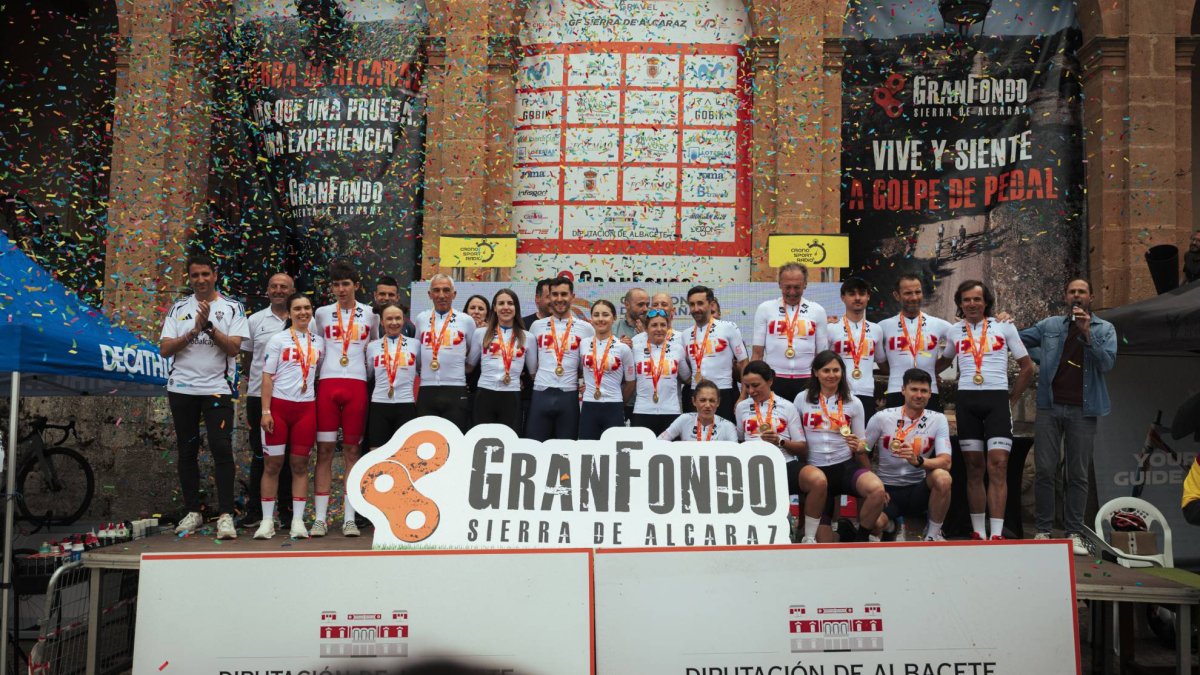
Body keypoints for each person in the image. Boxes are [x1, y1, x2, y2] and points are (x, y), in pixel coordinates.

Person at [1019, 278, 1117, 553]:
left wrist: (1087, 335)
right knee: (1045, 470)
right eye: (1072, 291)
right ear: (1066, 296)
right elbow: (1018, 340)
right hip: (1050, 407)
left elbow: (1107, 363)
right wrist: (1042, 355)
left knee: (1077, 473)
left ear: (1091, 297)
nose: (1076, 295)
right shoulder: (1050, 325)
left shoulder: (1105, 329)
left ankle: (1074, 532)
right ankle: (1043, 530)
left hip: (1083, 410)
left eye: (1081, 292)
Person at [159, 253, 250, 539]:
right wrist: (193, 331)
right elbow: (165, 349)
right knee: (187, 450)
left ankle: (225, 514)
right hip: (182, 388)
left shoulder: (233, 307)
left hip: (217, 388)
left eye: (205, 274)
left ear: (215, 275)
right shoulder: (179, 308)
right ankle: (193, 511)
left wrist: (209, 328)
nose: (200, 280)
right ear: (189, 278)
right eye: (195, 275)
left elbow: (234, 348)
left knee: (221, 447)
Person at [939, 280, 1034, 540]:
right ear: (960, 303)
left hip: (996, 400)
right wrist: (919, 373)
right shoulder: (954, 331)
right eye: (966, 299)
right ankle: (979, 531)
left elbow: (1027, 367)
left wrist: (1011, 399)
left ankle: (997, 532)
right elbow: (944, 361)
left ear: (986, 302)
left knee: (998, 465)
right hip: (967, 401)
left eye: (977, 299)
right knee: (974, 467)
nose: (972, 304)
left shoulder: (1004, 326)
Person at [312, 261, 377, 537]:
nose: (341, 289)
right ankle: (320, 519)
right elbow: (315, 347)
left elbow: (374, 349)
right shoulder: (321, 313)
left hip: (357, 385)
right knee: (325, 451)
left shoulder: (371, 314)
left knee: (352, 452)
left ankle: (349, 518)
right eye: (336, 284)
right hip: (328, 384)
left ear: (356, 286)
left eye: (346, 284)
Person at [793, 351, 885, 544]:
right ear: (816, 372)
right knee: (825, 542)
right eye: (826, 370)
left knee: (877, 490)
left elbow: (864, 443)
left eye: (836, 370)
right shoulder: (802, 399)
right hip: (816, 472)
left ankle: (860, 539)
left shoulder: (853, 402)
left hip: (844, 467)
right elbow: (797, 438)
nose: (831, 375)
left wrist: (860, 446)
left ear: (842, 372)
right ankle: (844, 532)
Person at [254, 293, 323, 540]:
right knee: (272, 465)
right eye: (297, 309)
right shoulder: (278, 339)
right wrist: (266, 411)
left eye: (307, 308)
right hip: (279, 408)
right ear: (290, 313)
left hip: (306, 409)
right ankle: (266, 521)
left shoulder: (319, 342)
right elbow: (266, 376)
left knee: (300, 465)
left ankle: (297, 521)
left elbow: (317, 373)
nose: (303, 312)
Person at [864, 368, 953, 542]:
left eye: (924, 391)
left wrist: (919, 461)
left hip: (917, 488)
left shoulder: (938, 419)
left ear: (930, 394)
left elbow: (946, 462)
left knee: (943, 478)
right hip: (887, 489)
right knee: (873, 523)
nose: (919, 395)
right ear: (903, 390)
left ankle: (932, 535)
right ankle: (892, 527)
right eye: (914, 389)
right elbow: (862, 451)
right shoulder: (882, 417)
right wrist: (874, 485)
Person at [239, 272, 294, 529]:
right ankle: (256, 511)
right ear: (267, 290)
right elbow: (247, 359)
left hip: (291, 397)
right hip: (258, 396)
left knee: (288, 455)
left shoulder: (303, 318)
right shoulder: (255, 320)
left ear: (292, 290)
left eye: (284, 286)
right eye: (274, 286)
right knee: (260, 454)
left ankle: (286, 511)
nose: (278, 290)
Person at [735, 361, 805, 523]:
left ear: (770, 381)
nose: (751, 391)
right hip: (750, 464)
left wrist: (780, 441)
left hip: (783, 462)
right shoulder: (741, 407)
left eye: (755, 385)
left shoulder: (788, 406)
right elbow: (740, 437)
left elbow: (802, 447)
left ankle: (806, 531)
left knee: (816, 480)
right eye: (747, 386)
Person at [527, 277, 595, 440]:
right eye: (555, 294)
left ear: (572, 296)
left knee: (567, 447)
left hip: (569, 395)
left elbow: (590, 362)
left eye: (564, 294)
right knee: (535, 445)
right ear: (549, 296)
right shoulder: (536, 326)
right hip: (540, 392)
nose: (559, 299)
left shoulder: (586, 328)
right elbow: (531, 363)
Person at [751, 262, 828, 402]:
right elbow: (757, 353)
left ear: (805, 285)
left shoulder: (817, 311)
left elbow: (822, 355)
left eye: (797, 287)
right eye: (787, 287)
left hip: (807, 380)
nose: (792, 292)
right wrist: (748, 390)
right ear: (779, 284)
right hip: (773, 379)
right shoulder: (765, 309)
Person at [876, 274, 952, 411]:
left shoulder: (939, 324)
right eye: (908, 293)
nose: (914, 297)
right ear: (897, 295)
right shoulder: (883, 326)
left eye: (918, 292)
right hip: (896, 390)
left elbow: (961, 339)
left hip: (928, 391)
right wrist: (895, 372)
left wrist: (932, 369)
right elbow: (881, 362)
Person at [416, 274, 477, 430]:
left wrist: (464, 368)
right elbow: (417, 352)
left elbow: (472, 353)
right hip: (427, 388)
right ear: (429, 294)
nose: (441, 295)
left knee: (455, 438)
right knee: (427, 438)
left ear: (454, 294)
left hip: (456, 388)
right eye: (436, 290)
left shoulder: (466, 320)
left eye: (446, 290)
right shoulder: (421, 318)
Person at [468, 289, 533, 432]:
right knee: (481, 438)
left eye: (510, 303)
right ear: (494, 308)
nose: (506, 307)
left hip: (512, 395)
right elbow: (469, 366)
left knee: (510, 439)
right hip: (484, 394)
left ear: (516, 308)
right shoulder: (480, 334)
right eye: (501, 303)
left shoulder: (528, 337)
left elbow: (533, 373)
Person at [365, 302, 421, 464]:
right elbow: (369, 374)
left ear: (404, 320)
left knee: (405, 455)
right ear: (382, 322)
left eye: (398, 318)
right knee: (376, 454)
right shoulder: (372, 347)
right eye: (389, 319)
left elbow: (419, 369)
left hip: (406, 405)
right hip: (379, 405)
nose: (394, 322)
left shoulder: (415, 344)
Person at [682, 285, 747, 421]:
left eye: (700, 303)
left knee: (724, 432)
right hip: (696, 392)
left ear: (711, 305)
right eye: (692, 304)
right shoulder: (685, 334)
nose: (696, 308)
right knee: (696, 433)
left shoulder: (728, 327)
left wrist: (743, 395)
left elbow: (744, 363)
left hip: (724, 392)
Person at [578, 300, 636, 440]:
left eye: (605, 315)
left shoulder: (623, 348)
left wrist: (619, 402)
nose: (600, 319)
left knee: (612, 449)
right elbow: (580, 370)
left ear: (614, 318)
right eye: (596, 315)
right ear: (591, 318)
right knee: (587, 449)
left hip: (614, 406)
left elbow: (631, 383)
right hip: (589, 405)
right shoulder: (584, 344)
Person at [827, 278, 882, 422]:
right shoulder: (831, 329)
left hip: (866, 393)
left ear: (868, 296)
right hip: (837, 392)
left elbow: (882, 361)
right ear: (842, 297)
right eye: (852, 294)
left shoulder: (876, 330)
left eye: (862, 294)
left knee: (863, 436)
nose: (857, 298)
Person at [630, 309, 691, 436]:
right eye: (654, 325)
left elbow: (687, 378)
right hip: (642, 411)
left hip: (671, 411)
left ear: (668, 327)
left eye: (663, 325)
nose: (659, 329)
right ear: (646, 329)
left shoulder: (677, 349)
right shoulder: (635, 349)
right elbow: (627, 379)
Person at [659, 379, 739, 442]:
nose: (707, 405)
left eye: (711, 401)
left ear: (718, 402)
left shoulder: (728, 426)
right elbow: (659, 442)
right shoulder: (684, 420)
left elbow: (736, 453)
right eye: (702, 400)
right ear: (694, 401)